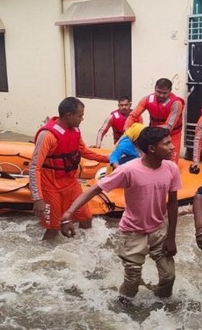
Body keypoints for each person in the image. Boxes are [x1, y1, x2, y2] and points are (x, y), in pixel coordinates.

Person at [61, 127, 181, 299]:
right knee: (132, 281)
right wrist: (69, 212)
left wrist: (171, 237)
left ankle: (161, 305)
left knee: (169, 276)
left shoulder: (171, 168)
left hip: (159, 231)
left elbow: (173, 203)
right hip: (132, 232)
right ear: (152, 149)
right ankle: (123, 307)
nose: (172, 147)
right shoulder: (128, 170)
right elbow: (95, 189)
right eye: (166, 143)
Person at [29, 97, 109, 240]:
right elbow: (35, 167)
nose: (82, 119)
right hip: (50, 186)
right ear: (69, 115)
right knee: (53, 229)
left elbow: (84, 151)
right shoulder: (47, 135)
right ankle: (45, 259)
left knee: (86, 218)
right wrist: (37, 199)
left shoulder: (75, 130)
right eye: (80, 115)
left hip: (70, 183)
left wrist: (107, 159)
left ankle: (85, 250)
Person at [124, 78, 184, 163]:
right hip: (153, 135)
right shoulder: (146, 99)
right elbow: (133, 115)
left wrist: (146, 131)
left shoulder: (176, 104)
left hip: (172, 135)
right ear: (154, 89)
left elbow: (168, 127)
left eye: (165, 93)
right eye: (158, 92)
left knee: (171, 162)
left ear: (170, 91)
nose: (161, 95)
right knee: (148, 159)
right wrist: (127, 130)